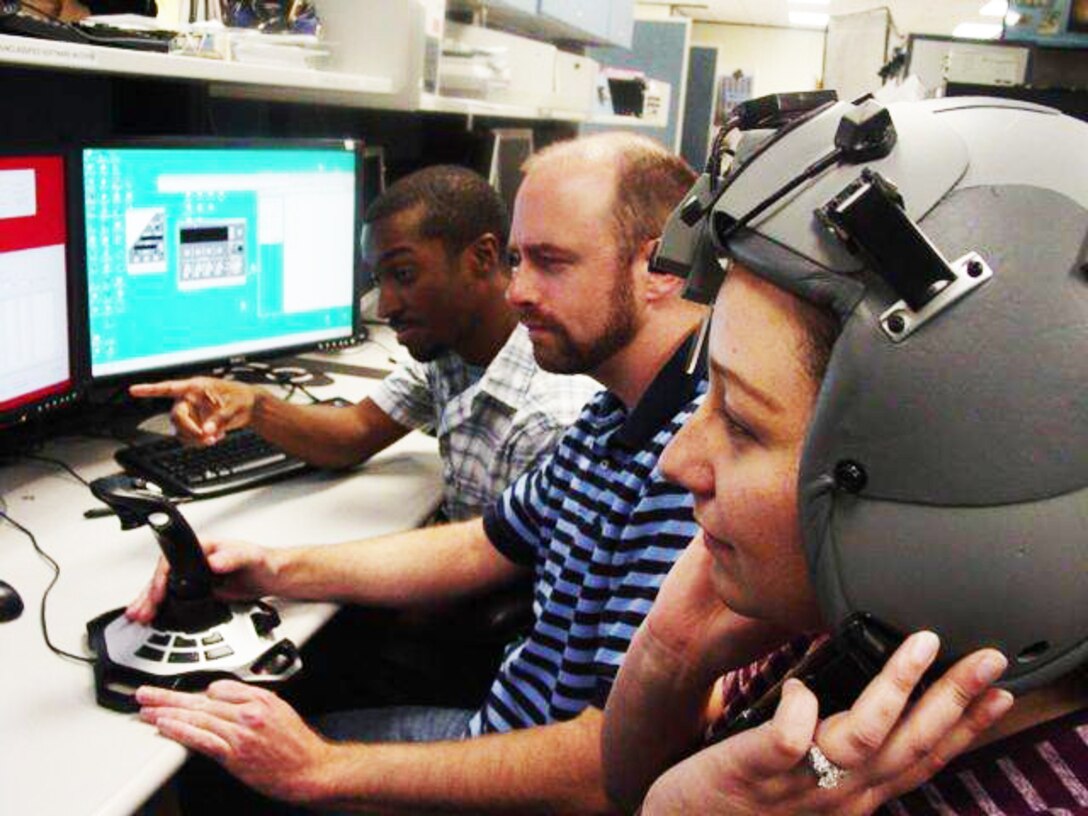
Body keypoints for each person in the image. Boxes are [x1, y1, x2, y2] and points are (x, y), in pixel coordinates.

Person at [130, 132, 709, 813]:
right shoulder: (616, 412)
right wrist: (271, 568)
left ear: (660, 266)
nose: (519, 292)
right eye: (518, 260)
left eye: (551, 262)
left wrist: (320, 770)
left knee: (215, 770)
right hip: (512, 724)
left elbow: (605, 770)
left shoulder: (692, 460)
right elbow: (484, 543)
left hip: (536, 783)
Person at [602, 96, 1088, 814]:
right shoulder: (833, 637)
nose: (676, 461)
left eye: (740, 422)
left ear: (951, 484)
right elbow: (632, 789)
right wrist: (668, 656)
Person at [130, 164, 598, 523]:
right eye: (379, 280)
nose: (385, 306)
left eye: (404, 275)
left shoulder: (550, 420)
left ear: (482, 257)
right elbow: (353, 433)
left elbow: (500, 578)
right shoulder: (452, 352)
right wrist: (253, 405)